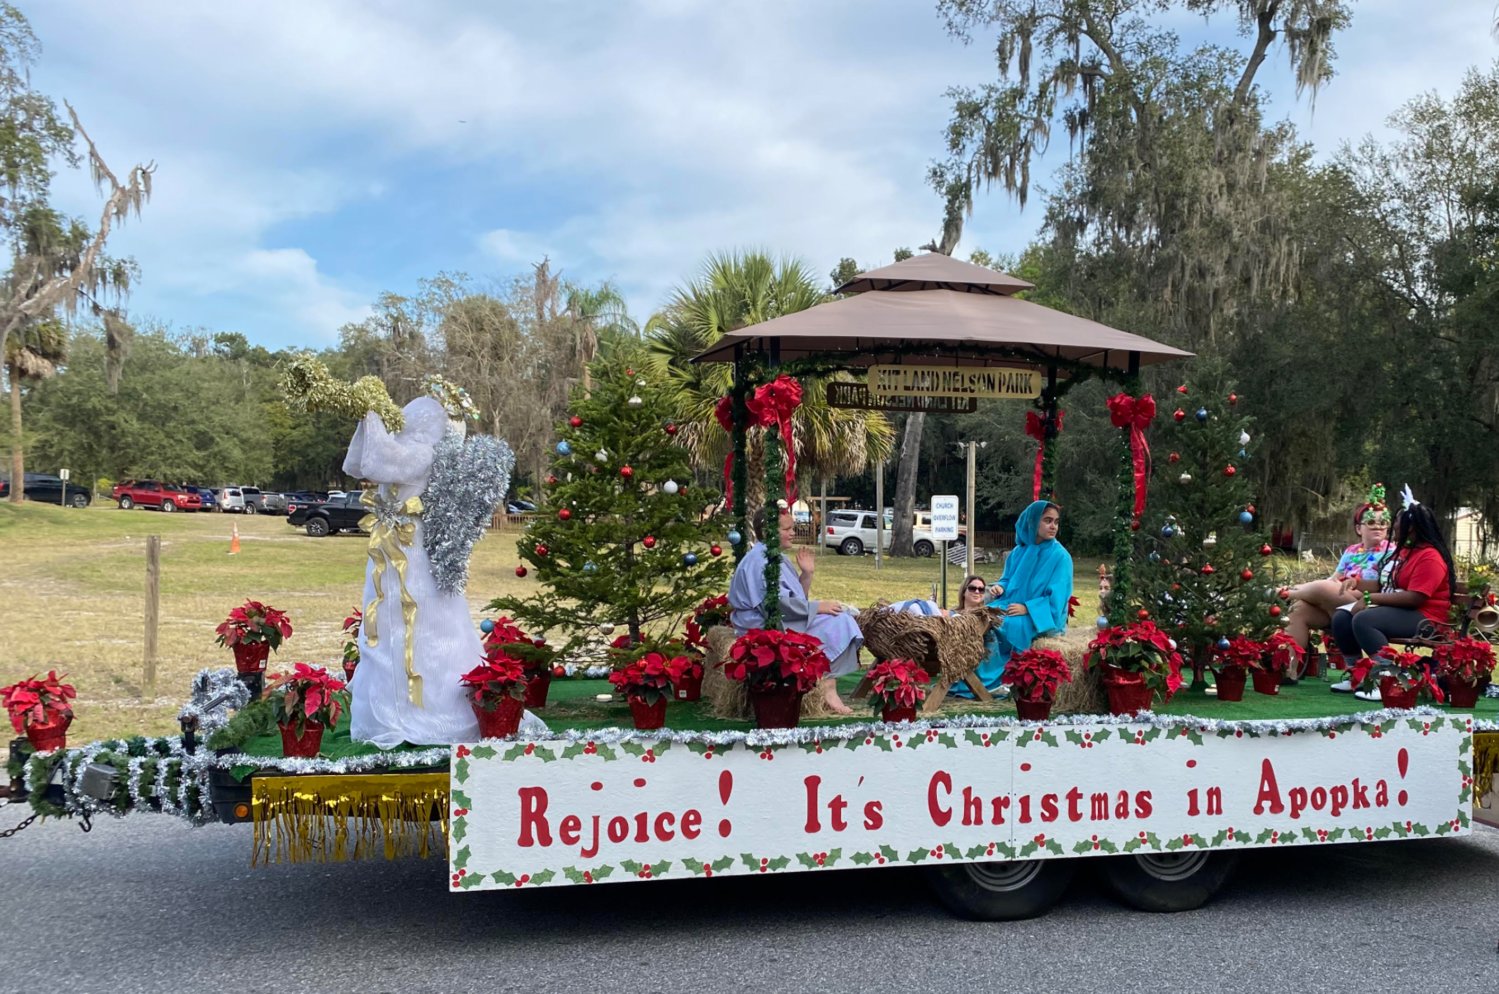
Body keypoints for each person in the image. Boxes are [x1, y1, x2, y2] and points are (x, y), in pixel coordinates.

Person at [729, 504, 863, 714]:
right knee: (839, 622)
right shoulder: (760, 561)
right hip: (761, 626)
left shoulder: (775, 557)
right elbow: (775, 605)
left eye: (793, 527)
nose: (793, 533)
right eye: (787, 529)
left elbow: (795, 599)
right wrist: (818, 607)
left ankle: (827, 687)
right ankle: (828, 690)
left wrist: (807, 574)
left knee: (841, 617)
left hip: (782, 619)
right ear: (770, 532)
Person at [1330, 487, 1455, 700]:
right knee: (1342, 616)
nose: (1393, 527)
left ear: (1411, 528)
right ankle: (1355, 675)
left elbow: (1416, 597)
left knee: (1365, 620)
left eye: (1396, 522)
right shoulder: (1406, 552)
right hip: (1405, 610)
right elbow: (1384, 584)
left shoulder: (1430, 558)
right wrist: (1357, 583)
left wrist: (1370, 599)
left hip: (1426, 617)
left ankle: (1387, 680)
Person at [952, 500, 1073, 698]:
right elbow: (1008, 579)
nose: (1053, 526)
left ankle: (992, 682)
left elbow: (1058, 600)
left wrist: (1027, 608)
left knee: (1004, 625)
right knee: (979, 617)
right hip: (1009, 604)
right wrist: (1001, 587)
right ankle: (965, 675)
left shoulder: (1061, 557)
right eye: (1047, 521)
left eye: (1056, 522)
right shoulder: (1019, 552)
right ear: (1033, 522)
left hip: (1041, 616)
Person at [1284, 485, 1391, 680]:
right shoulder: (1351, 551)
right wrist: (1328, 589)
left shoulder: (1391, 550)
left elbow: (1384, 585)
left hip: (1368, 604)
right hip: (1339, 604)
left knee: (1324, 588)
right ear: (1359, 528)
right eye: (1371, 522)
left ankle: (1283, 592)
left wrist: (1348, 585)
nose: (1378, 526)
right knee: (1298, 609)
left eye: (1383, 522)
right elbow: (1334, 578)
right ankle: (1289, 670)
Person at [887, 574, 991, 618]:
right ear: (964, 591)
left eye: (981, 589)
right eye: (973, 588)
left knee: (916, 607)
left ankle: (888, 611)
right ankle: (887, 612)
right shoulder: (954, 611)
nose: (977, 592)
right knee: (919, 605)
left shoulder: (982, 615)